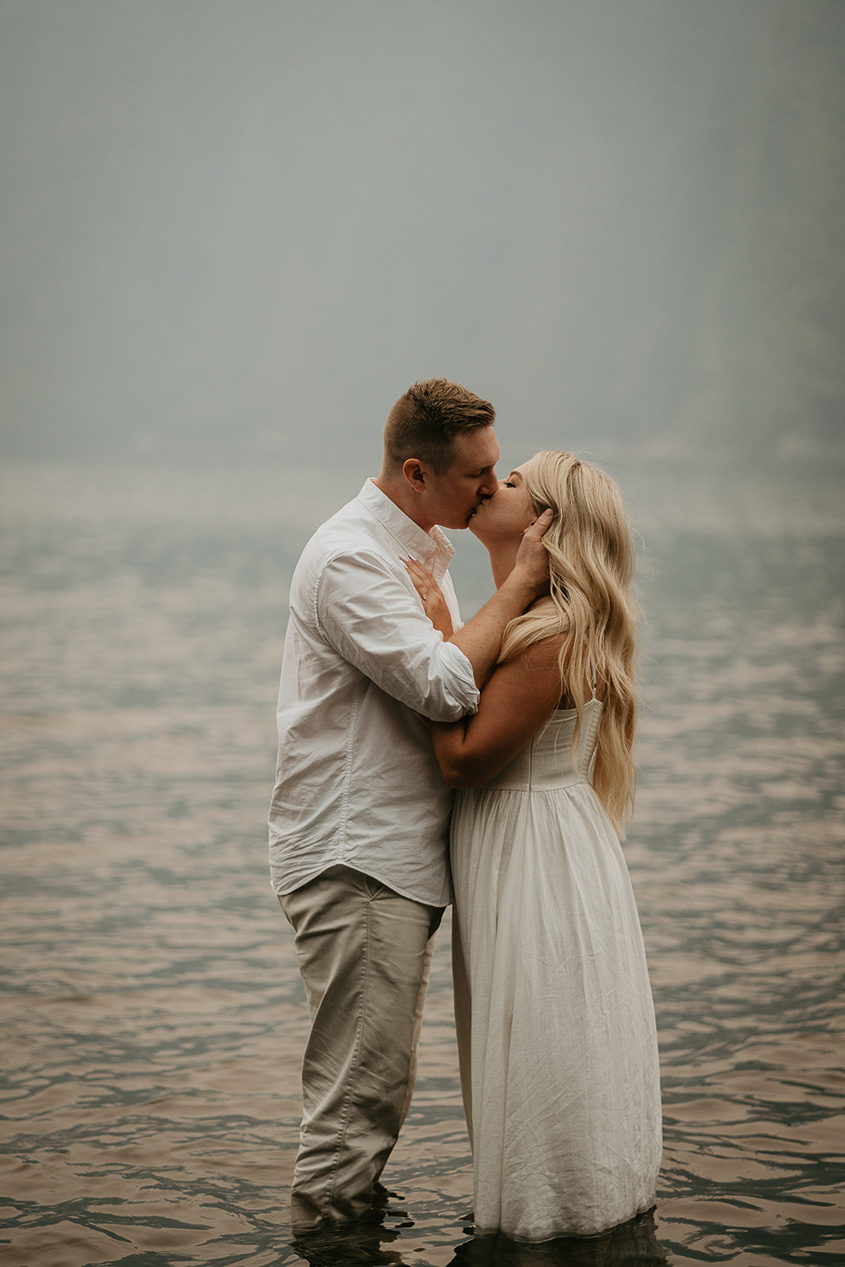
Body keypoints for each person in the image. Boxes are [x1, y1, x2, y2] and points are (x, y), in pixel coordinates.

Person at [268, 379, 553, 1234]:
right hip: (357, 857)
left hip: (389, 857)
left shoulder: (423, 550)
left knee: (372, 1091)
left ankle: (350, 1238)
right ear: (418, 471)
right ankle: (333, 1243)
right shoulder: (351, 556)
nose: (491, 487)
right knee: (358, 1105)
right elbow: (441, 686)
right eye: (478, 473)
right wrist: (520, 587)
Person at [408, 450, 662, 1243]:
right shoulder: (520, 617)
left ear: (549, 525)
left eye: (513, 481)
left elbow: (462, 758)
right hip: (527, 846)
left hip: (536, 861)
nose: (490, 484)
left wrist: (432, 641)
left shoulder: (553, 631)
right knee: (537, 1042)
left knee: (545, 1045)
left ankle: (552, 1225)